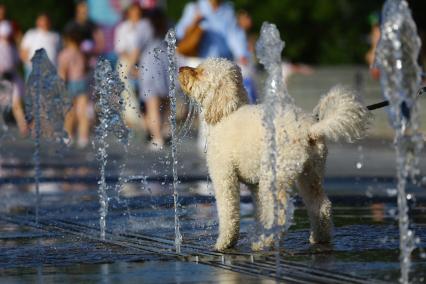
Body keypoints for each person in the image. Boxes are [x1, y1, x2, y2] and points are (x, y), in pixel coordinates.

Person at [114, 3, 153, 129]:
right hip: (127, 62)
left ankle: (147, 123)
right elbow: (120, 48)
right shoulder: (122, 28)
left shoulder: (145, 25)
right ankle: (134, 123)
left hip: (143, 62)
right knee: (128, 94)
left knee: (145, 93)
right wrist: (131, 61)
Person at [176, 0, 248, 64]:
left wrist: (241, 54)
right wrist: (194, 22)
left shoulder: (228, 10)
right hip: (199, 61)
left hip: (223, 61)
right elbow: (179, 32)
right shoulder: (194, 7)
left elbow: (234, 34)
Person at [139, 8, 169, 150]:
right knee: (164, 104)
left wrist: (129, 66)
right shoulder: (167, 22)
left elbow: (136, 47)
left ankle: (157, 139)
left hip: (149, 64)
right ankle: (163, 133)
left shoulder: (144, 24)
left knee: (152, 105)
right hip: (165, 63)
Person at [58, 29, 89, 148]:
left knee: (69, 113)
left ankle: (68, 137)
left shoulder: (65, 54)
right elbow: (85, 68)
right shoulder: (81, 53)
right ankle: (83, 138)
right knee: (82, 113)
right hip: (82, 83)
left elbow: (63, 72)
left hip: (70, 84)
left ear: (68, 40)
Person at [0, 21, 27, 136]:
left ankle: (23, 126)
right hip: (2, 78)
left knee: (16, 103)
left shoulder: (12, 46)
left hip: (12, 77)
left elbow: (16, 61)